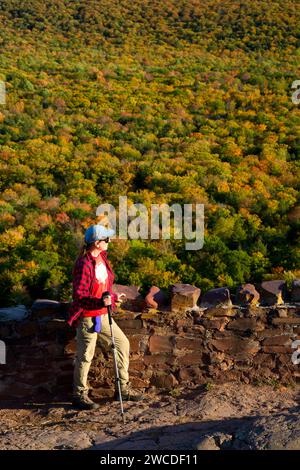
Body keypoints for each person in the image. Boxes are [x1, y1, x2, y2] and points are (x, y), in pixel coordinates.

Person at [67, 220, 143, 410]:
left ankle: (122, 388)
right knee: (85, 356)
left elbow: (104, 288)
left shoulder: (103, 259)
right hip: (87, 316)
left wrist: (113, 297)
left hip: (102, 314)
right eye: (106, 238)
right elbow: (80, 296)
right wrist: (101, 302)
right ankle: (79, 395)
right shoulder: (84, 264)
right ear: (96, 242)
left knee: (122, 343)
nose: (109, 241)